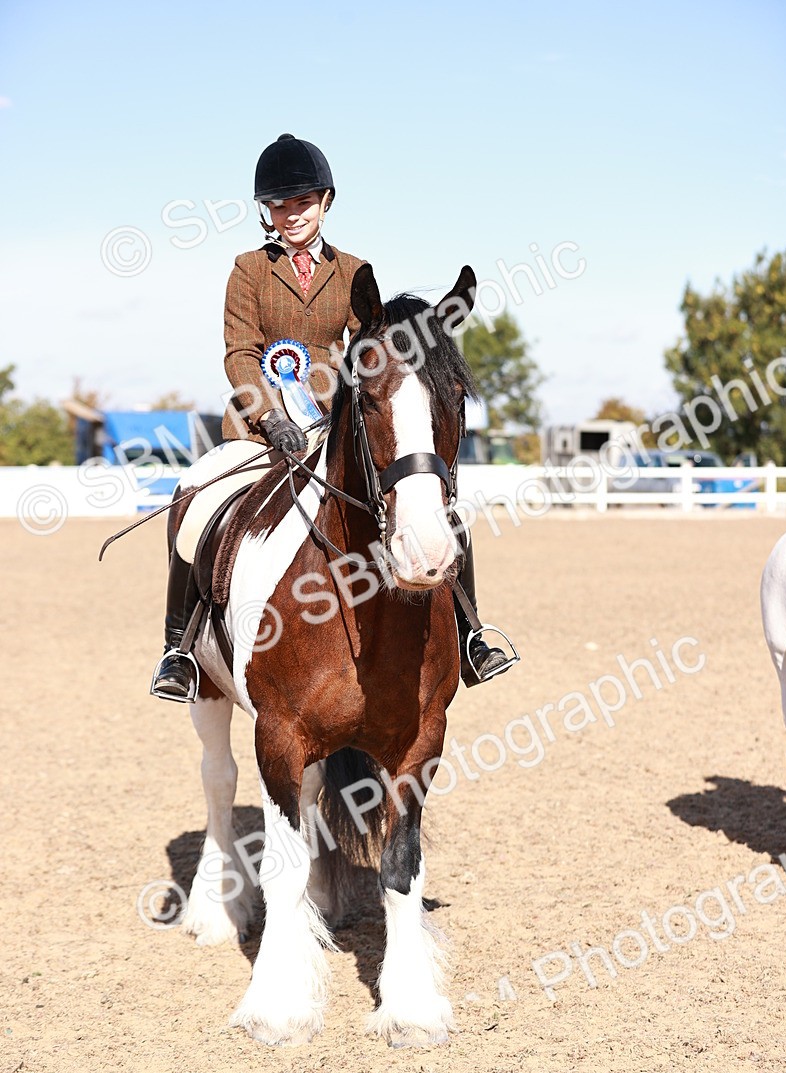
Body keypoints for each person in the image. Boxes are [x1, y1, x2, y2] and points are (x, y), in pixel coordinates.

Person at [150, 133, 514, 702]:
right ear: (267, 212)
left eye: (303, 203)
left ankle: (471, 634)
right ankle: (179, 650)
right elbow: (240, 353)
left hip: (330, 424)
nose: (292, 215)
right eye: (280, 206)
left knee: (438, 512)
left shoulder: (353, 270)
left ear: (325, 202)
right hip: (257, 430)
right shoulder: (247, 270)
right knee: (198, 506)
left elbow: (368, 348)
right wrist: (270, 419)